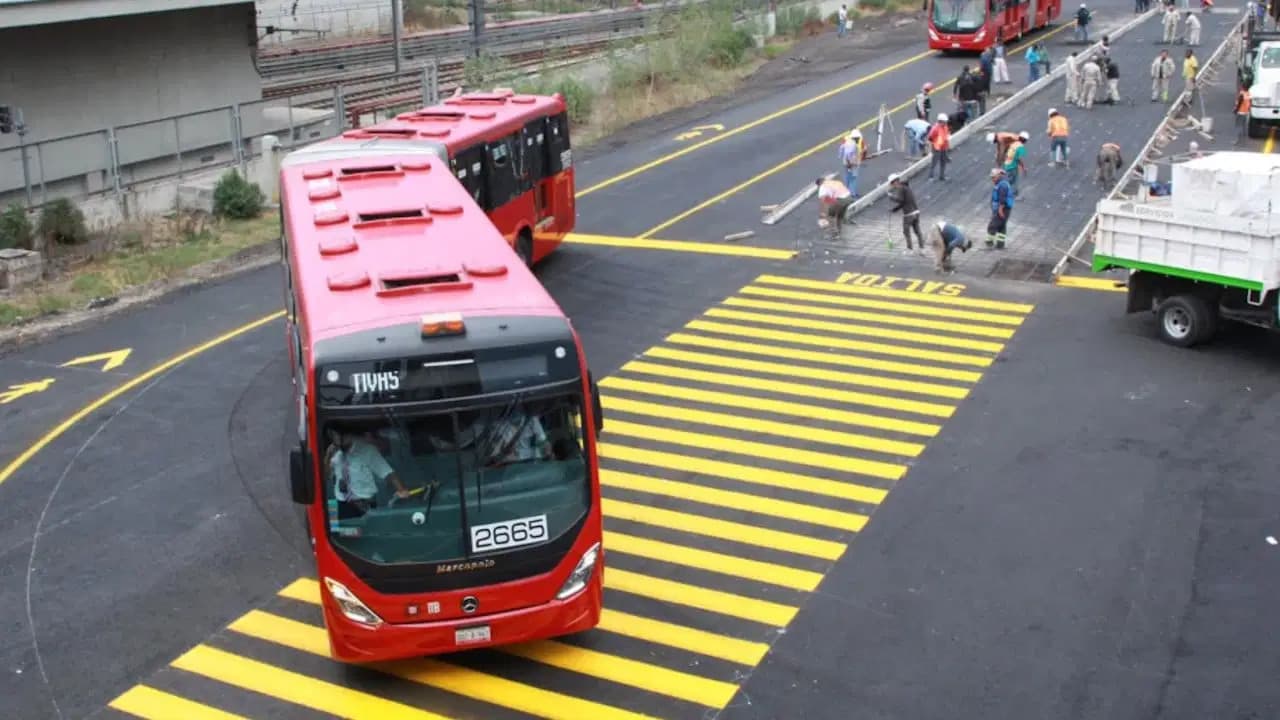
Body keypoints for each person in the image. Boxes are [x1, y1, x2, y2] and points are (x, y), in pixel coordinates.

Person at [326, 427, 411, 519]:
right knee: (336, 531)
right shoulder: (335, 454)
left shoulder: (367, 450)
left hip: (364, 504)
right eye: (333, 438)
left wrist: (401, 490)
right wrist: (328, 456)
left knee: (366, 532)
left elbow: (388, 472)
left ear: (348, 436)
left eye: (337, 437)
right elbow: (325, 476)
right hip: (340, 503)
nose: (336, 441)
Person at [888, 174, 925, 255]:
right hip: (916, 212)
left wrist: (891, 197)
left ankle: (909, 249)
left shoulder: (900, 188)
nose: (892, 186)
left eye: (892, 184)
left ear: (895, 182)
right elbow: (904, 202)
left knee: (906, 232)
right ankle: (922, 249)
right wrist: (894, 210)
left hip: (909, 214)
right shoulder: (907, 188)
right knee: (917, 231)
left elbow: (900, 200)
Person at [987, 168, 1015, 249]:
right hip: (1003, 209)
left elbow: (1002, 199)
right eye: (991, 178)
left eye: (993, 177)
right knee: (1002, 226)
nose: (992, 179)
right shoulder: (1001, 183)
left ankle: (989, 241)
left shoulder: (1002, 185)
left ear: (999, 176)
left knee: (992, 225)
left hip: (1002, 209)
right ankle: (1000, 244)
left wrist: (1000, 210)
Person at [1002, 131, 1028, 195]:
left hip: (1007, 164)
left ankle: (1007, 192)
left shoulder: (1013, 143)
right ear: (1025, 140)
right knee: (1014, 180)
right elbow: (1019, 159)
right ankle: (1013, 194)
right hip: (1013, 166)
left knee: (1010, 180)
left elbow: (1006, 149)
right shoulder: (1021, 147)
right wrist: (1023, 167)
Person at [838, 129, 863, 196]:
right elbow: (848, 154)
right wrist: (850, 163)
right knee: (853, 178)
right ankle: (853, 193)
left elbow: (841, 148)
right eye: (858, 138)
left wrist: (840, 156)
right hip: (851, 163)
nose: (858, 139)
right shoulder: (853, 144)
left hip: (846, 163)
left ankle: (846, 191)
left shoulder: (847, 142)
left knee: (848, 177)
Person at [928, 113, 951, 181]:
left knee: (943, 162)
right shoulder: (935, 129)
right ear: (940, 121)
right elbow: (930, 138)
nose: (946, 123)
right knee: (934, 162)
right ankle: (931, 176)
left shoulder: (945, 127)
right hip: (937, 148)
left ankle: (942, 176)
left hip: (944, 147)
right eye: (944, 122)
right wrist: (933, 146)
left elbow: (946, 137)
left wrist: (948, 147)